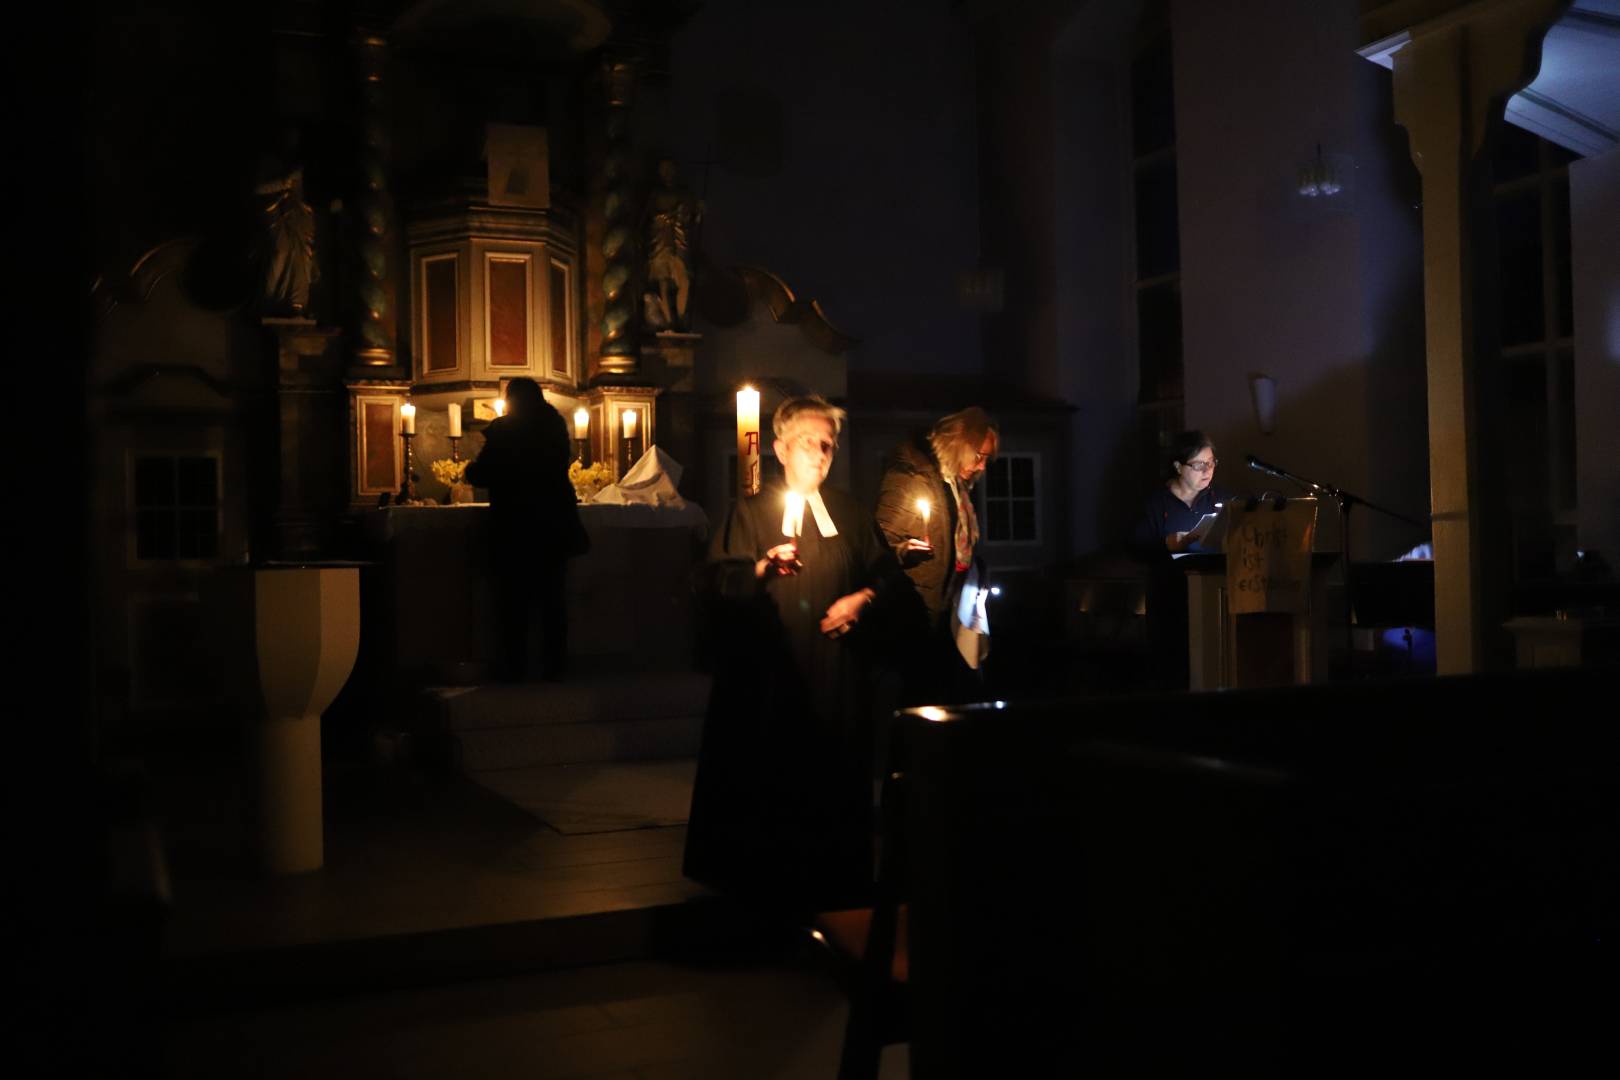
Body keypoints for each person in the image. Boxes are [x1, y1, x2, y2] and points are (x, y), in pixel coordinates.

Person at [684, 395, 899, 915]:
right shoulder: (751, 512)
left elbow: (886, 574)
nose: (821, 452)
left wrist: (862, 600)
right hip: (771, 679)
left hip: (836, 679)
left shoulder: (848, 511)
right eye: (808, 442)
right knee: (773, 781)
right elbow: (713, 582)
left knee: (835, 782)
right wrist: (758, 570)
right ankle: (768, 893)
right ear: (779, 448)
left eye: (828, 444)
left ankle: (836, 888)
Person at [465, 378, 589, 682]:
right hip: (553, 526)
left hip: (515, 526)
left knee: (513, 602)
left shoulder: (506, 428)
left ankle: (515, 668)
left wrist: (469, 470)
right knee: (552, 601)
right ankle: (555, 667)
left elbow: (484, 473)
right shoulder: (554, 424)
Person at [874, 406, 999, 704]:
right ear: (958, 444)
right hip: (914, 614)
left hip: (946, 611)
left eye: (986, 459)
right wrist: (904, 550)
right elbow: (879, 544)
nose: (982, 466)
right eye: (979, 456)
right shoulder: (912, 477)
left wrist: (973, 567)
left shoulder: (955, 485)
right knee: (921, 698)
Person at [1132, 431, 1230, 690]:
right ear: (1178, 466)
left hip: (1213, 601)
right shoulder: (1155, 503)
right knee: (1173, 676)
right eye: (1199, 465)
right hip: (1170, 602)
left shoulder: (1219, 498)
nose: (1207, 470)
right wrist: (1168, 543)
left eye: (1211, 463)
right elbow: (1135, 546)